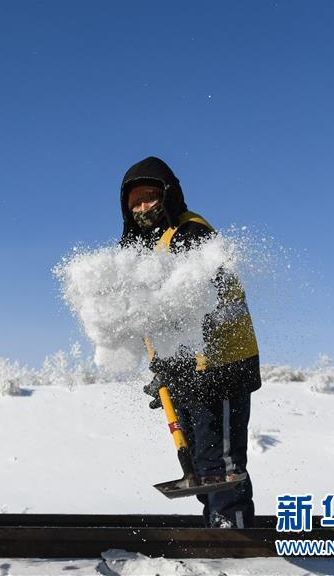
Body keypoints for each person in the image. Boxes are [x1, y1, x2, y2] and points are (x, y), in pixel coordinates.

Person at [120, 156, 261, 529]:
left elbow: (195, 303)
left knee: (222, 465)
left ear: (169, 194)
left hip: (221, 365)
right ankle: (216, 531)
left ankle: (235, 539)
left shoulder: (190, 234)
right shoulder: (152, 246)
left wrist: (175, 361)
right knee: (201, 466)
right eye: (135, 202)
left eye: (150, 197)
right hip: (187, 366)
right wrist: (164, 368)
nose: (143, 208)